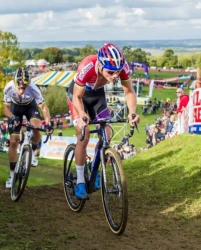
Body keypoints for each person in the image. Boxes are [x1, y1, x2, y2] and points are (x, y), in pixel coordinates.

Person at [67, 43, 140, 200]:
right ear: (100, 65)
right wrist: (81, 115)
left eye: (118, 72)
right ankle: (80, 181)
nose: (115, 76)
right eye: (110, 72)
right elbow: (76, 97)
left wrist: (132, 113)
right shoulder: (87, 65)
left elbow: (129, 92)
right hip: (78, 95)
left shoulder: (122, 67)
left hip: (97, 96)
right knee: (84, 134)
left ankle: (96, 166)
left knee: (107, 132)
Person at [3, 68, 54, 189]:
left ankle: (33, 152)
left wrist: (47, 123)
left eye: (24, 88)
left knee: (36, 127)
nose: (21, 90)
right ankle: (11, 175)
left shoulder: (33, 88)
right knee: (14, 141)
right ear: (15, 83)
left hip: (30, 107)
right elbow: (5, 109)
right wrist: (13, 117)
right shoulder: (8, 87)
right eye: (19, 87)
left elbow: (44, 108)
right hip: (15, 109)